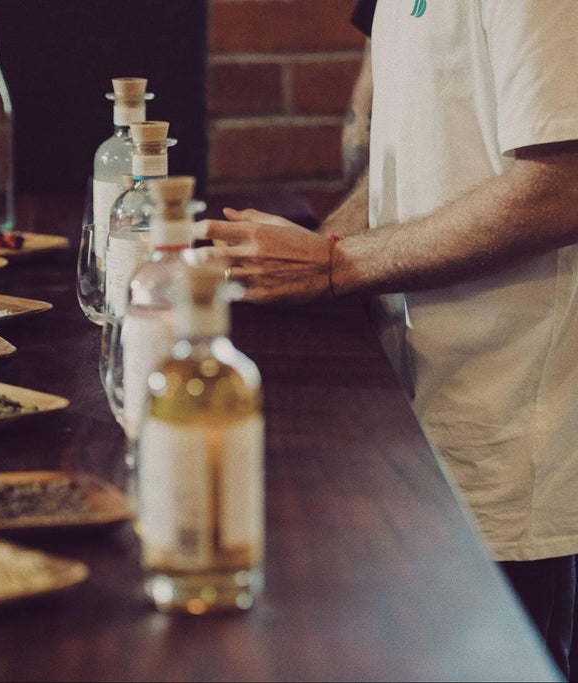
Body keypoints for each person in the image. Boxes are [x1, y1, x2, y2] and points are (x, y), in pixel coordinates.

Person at [197, 1, 578, 677]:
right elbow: (410, 151)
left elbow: (562, 185)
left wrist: (337, 266)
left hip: (519, 440)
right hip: (422, 420)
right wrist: (322, 247)